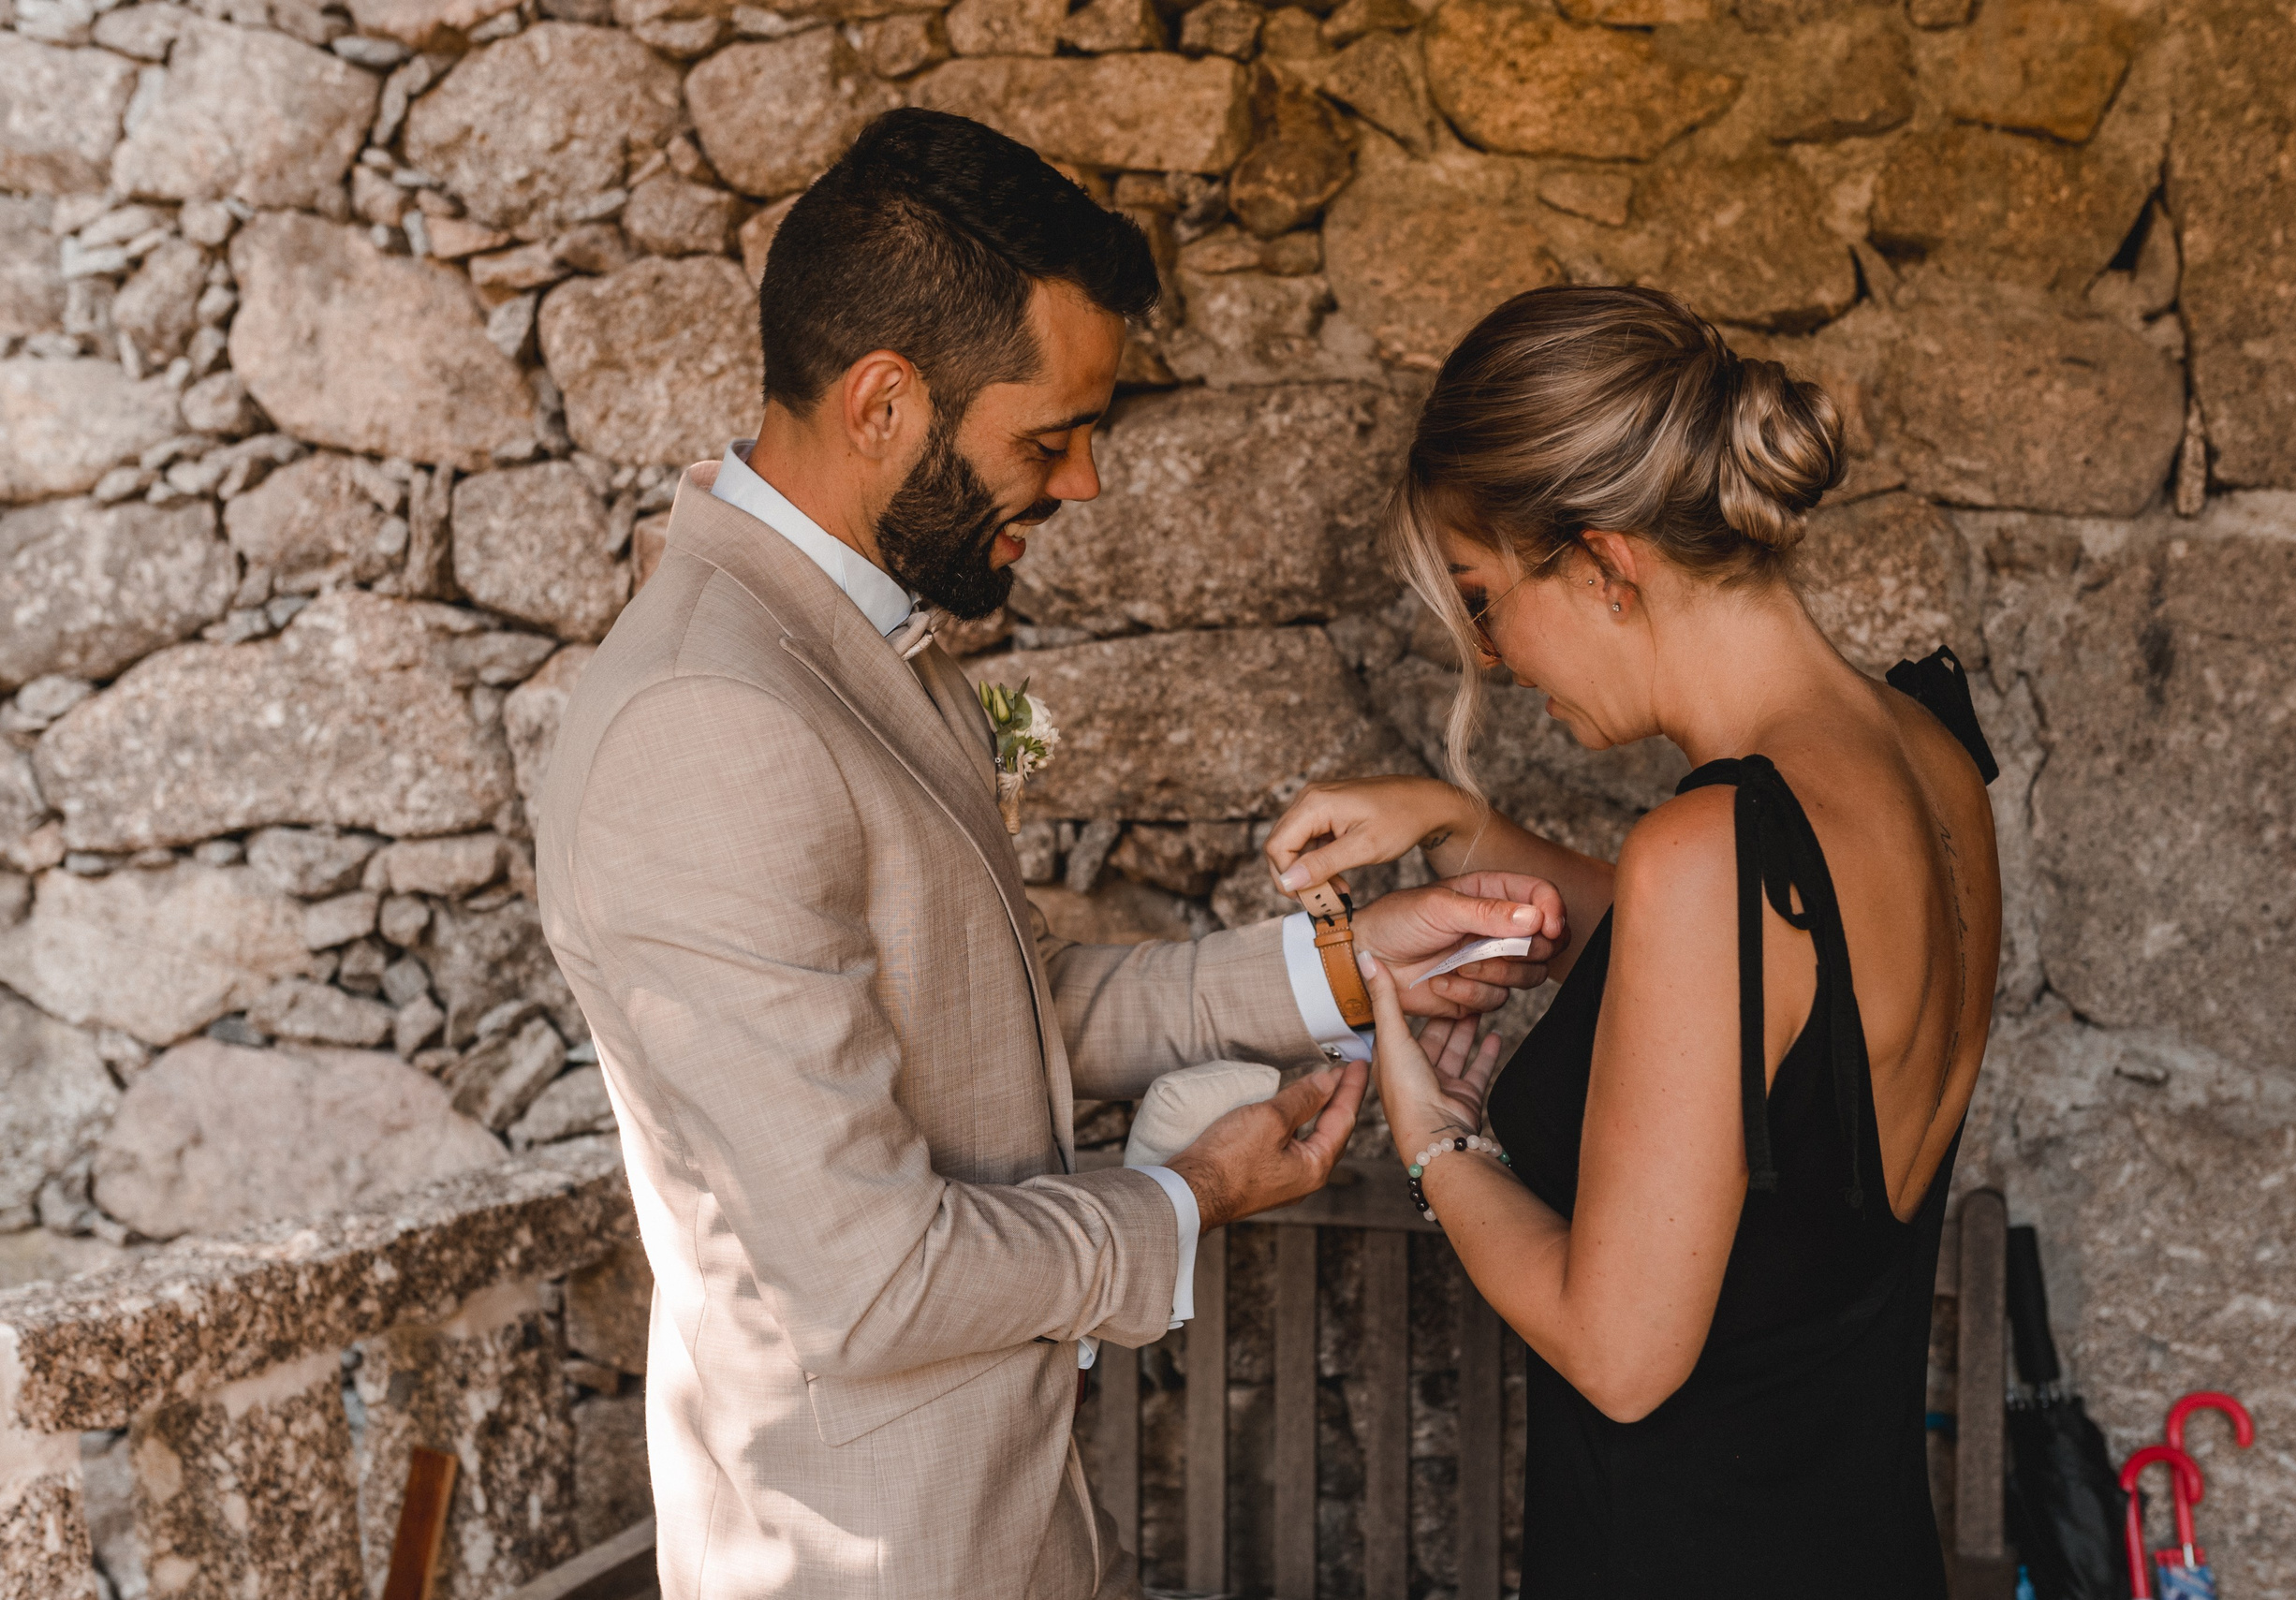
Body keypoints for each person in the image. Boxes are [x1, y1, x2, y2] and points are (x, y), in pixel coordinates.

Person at [534, 109, 1564, 1600]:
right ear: (885, 402)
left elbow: (987, 1009)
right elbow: (871, 1278)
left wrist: (1343, 960)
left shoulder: (863, 653)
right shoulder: (707, 718)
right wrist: (1190, 1196)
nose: (1084, 484)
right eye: (1050, 435)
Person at [1264, 285, 2002, 1596]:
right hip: (1866, 1547)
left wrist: (1432, 1135)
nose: (1489, 658)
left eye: (1486, 598)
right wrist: (1457, 825)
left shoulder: (1714, 854)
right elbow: (1785, 987)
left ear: (1607, 563)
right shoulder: (1928, 751)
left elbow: (1620, 1349)